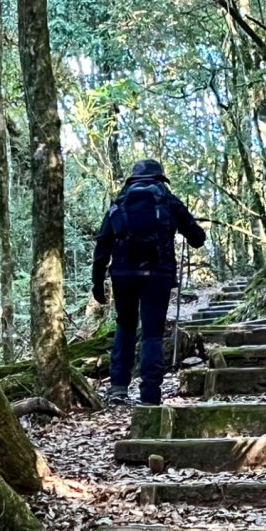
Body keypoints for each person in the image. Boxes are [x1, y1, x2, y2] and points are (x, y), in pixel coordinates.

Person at [92, 159, 206, 405]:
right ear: (160, 177)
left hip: (122, 274)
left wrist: (97, 283)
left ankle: (118, 388)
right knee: (152, 333)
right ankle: (150, 395)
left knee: (125, 326)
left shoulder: (119, 203)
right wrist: (194, 230)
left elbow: (103, 243)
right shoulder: (168, 200)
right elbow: (197, 238)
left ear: (132, 179)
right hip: (158, 274)